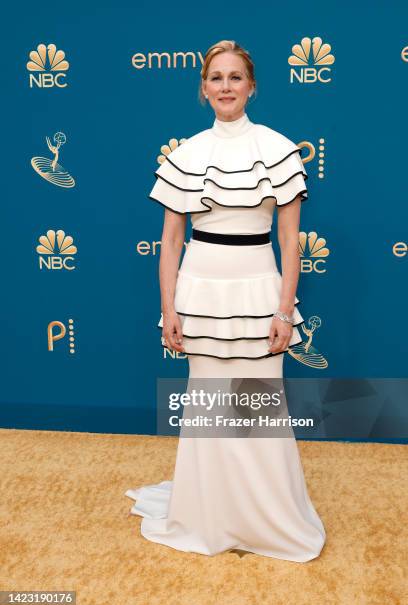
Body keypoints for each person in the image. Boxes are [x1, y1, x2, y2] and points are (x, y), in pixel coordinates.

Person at [125, 40, 326, 561]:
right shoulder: (186, 154)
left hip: (258, 287)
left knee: (258, 408)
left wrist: (285, 309)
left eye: (235, 78)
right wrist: (169, 309)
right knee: (210, 409)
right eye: (216, 78)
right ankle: (208, 515)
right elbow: (171, 242)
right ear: (204, 88)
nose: (226, 87)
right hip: (201, 288)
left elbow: (289, 243)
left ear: (251, 86)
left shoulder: (279, 149)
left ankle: (267, 520)